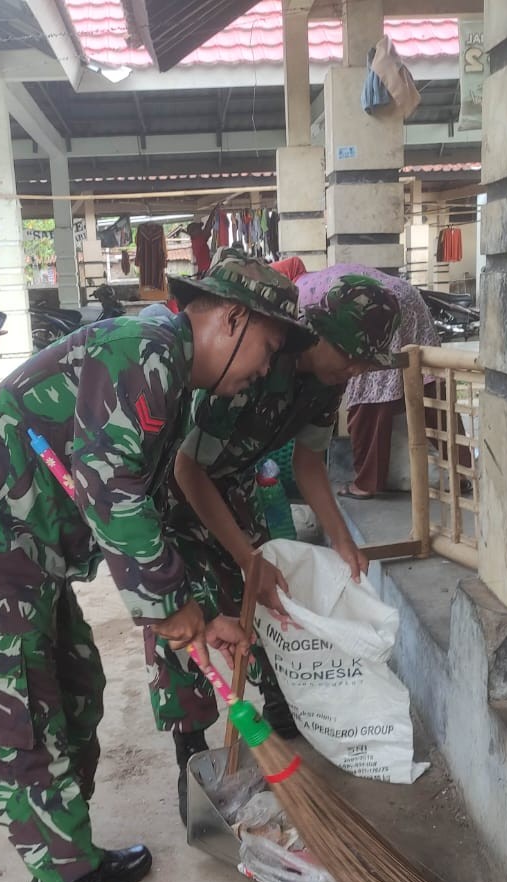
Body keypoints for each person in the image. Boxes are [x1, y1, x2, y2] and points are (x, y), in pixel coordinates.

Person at [0, 249, 312, 882]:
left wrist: (200, 610)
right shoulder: (145, 350)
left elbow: (151, 501)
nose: (262, 372)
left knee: (76, 693)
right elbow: (113, 491)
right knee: (21, 733)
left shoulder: (168, 371)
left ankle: (63, 862)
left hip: (23, 556)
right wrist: (168, 607)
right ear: (234, 318)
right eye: (269, 350)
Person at [151, 275, 401, 817]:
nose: (357, 371)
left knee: (267, 604)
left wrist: (340, 538)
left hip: (231, 491)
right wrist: (246, 557)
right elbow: (187, 470)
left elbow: (310, 460)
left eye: (367, 364)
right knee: (193, 617)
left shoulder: (330, 382)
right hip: (177, 498)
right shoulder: (254, 364)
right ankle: (191, 748)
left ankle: (279, 711)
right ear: (318, 334)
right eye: (353, 356)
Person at [307, 264, 437, 499]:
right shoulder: (315, 291)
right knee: (430, 383)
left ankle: (366, 483)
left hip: (384, 309)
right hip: (406, 298)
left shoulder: (306, 299)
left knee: (373, 397)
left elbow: (307, 464)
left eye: (363, 362)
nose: (356, 370)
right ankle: (464, 472)